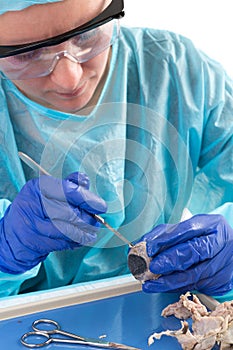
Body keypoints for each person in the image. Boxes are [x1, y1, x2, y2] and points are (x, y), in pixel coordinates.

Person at [0, 0, 232, 302]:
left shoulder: (175, 69)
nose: (69, 78)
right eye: (27, 53)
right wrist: (5, 254)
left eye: (85, 35)